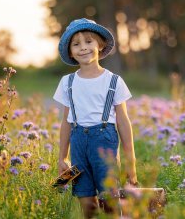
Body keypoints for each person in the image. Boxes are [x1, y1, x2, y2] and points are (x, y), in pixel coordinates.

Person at [53, 18, 138, 218]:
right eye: (76, 44)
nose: (83, 48)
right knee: (86, 201)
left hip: (104, 141)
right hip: (78, 143)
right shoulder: (68, 82)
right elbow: (66, 122)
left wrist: (130, 161)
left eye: (88, 42)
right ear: (71, 52)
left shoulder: (114, 81)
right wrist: (62, 157)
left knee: (109, 197)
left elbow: (123, 121)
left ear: (100, 45)